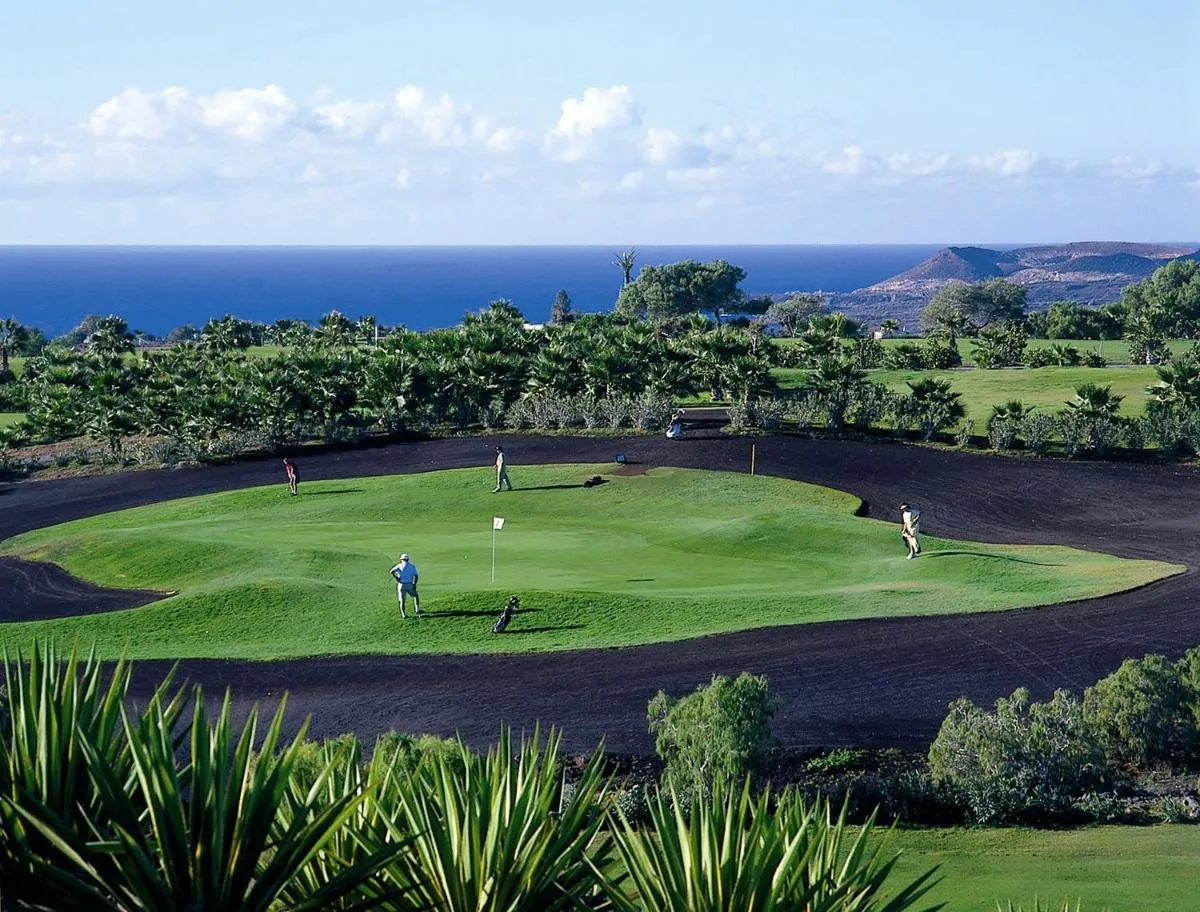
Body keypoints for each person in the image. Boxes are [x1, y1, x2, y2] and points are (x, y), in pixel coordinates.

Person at [389, 553, 421, 618]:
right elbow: (416, 576)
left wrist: (397, 578)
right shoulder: (412, 566)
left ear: (401, 560)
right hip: (409, 584)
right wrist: (414, 584)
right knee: (415, 596)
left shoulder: (399, 566)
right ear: (408, 560)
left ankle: (403, 614)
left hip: (401, 585)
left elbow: (391, 571)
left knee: (402, 601)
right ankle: (417, 610)